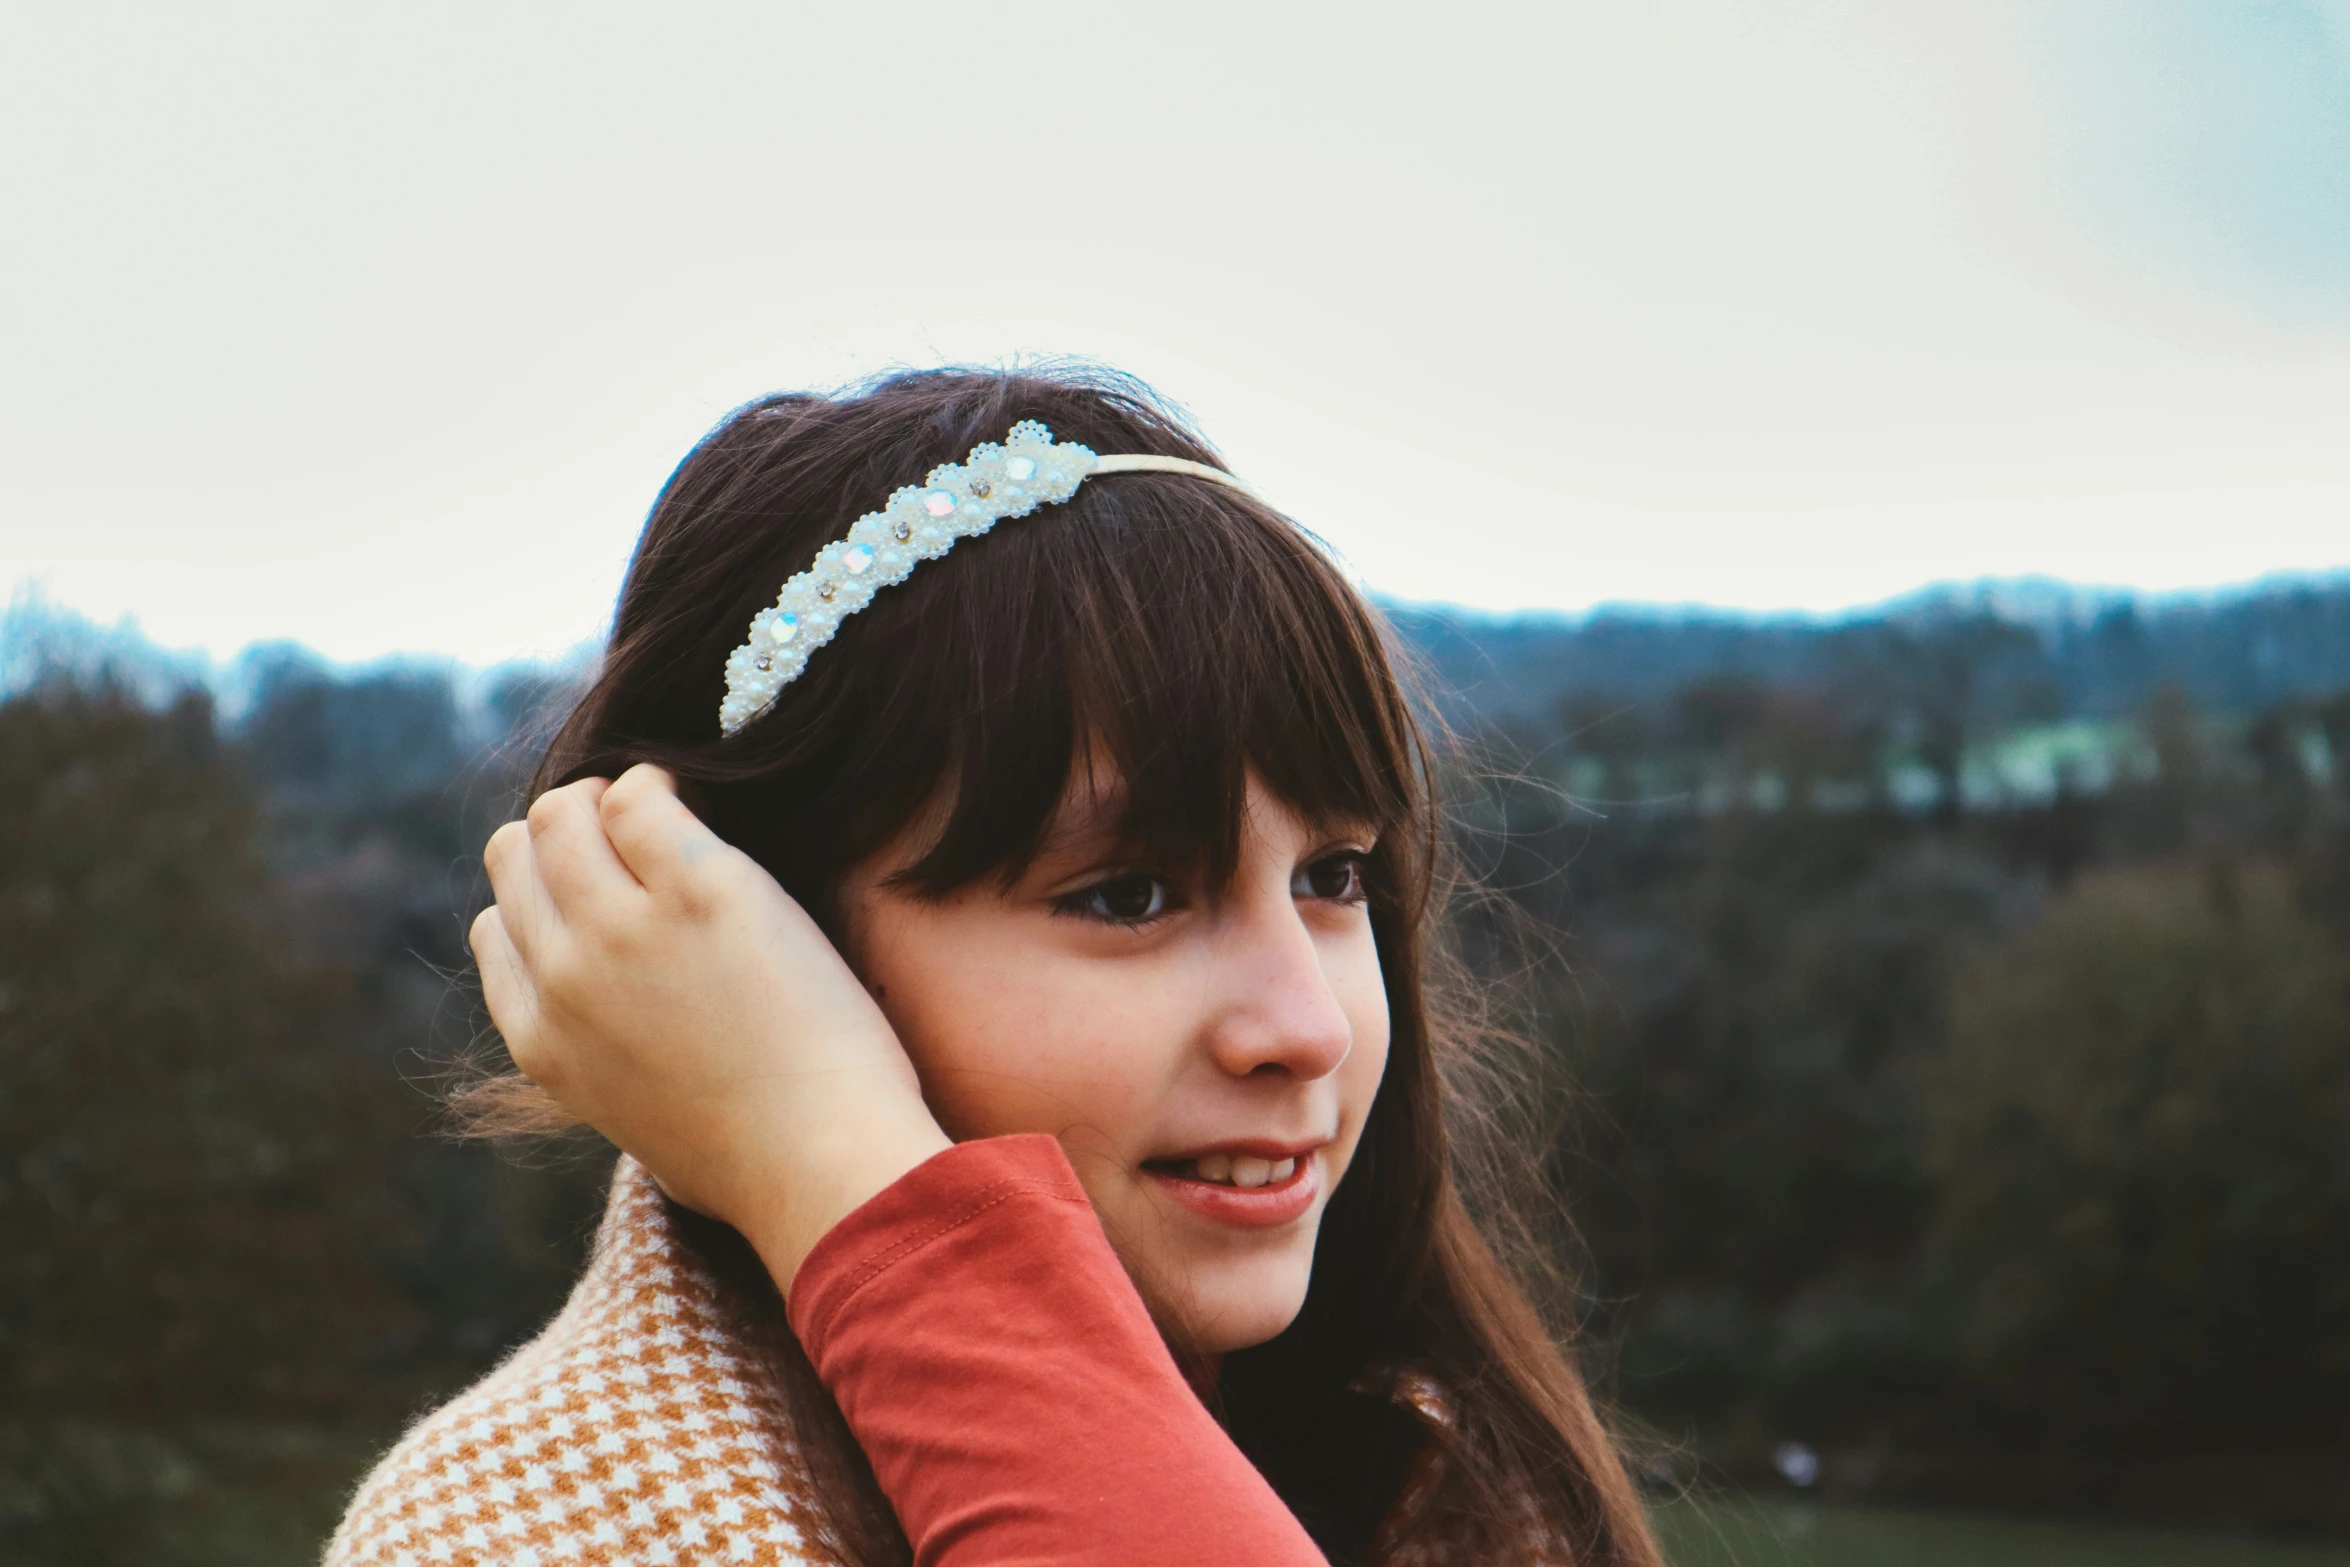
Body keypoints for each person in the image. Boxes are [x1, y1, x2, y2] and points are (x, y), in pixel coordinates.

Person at [324, 367, 1662, 1567]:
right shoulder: (525, 1539)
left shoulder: (1448, 1475)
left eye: (1332, 875)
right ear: (752, 938)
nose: (1302, 1025)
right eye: (1128, 895)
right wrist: (841, 1162)